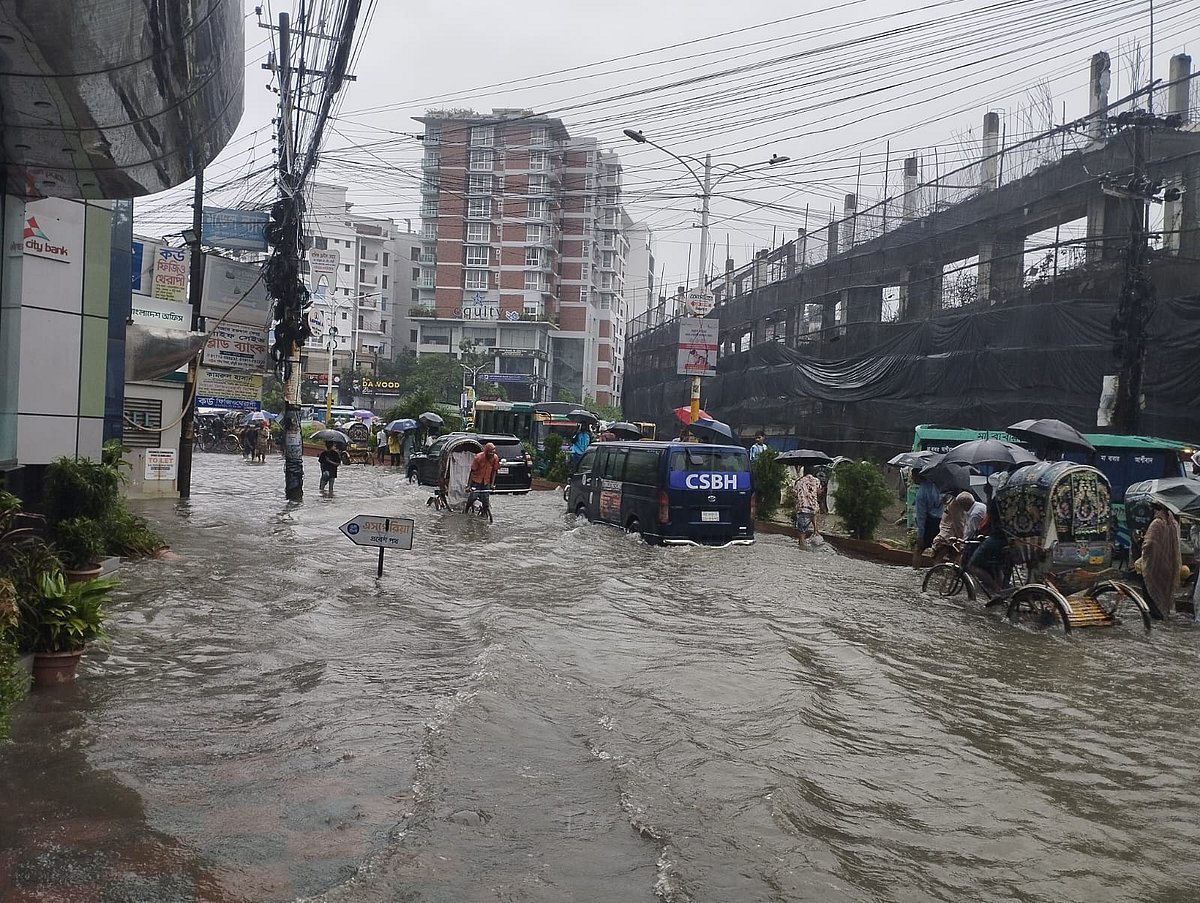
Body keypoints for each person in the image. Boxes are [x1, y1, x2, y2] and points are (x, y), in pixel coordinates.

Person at [1138, 502, 1181, 619]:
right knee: (1164, 591)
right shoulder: (1173, 523)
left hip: (1155, 565)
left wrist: (1142, 544)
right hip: (1169, 564)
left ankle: (1156, 617)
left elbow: (1149, 543)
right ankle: (1164, 613)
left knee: (1151, 591)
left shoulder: (1156, 523)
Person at [929, 491, 975, 563]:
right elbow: (958, 524)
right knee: (946, 559)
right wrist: (962, 539)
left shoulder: (953, 502)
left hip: (948, 534)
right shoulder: (955, 505)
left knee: (942, 559)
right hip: (949, 536)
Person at [912, 469, 945, 567]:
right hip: (942, 522)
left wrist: (920, 536)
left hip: (929, 522)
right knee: (938, 553)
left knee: (919, 549)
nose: (911, 478)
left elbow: (921, 516)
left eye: (913, 475)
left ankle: (915, 570)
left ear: (918, 476)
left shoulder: (921, 493)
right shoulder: (939, 486)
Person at [792, 466, 823, 546]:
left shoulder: (799, 481)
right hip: (813, 508)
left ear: (804, 472)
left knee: (802, 533)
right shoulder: (816, 481)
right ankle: (816, 530)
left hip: (803, 508)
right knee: (813, 516)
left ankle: (802, 549)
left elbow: (794, 493)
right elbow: (819, 492)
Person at [468, 442, 501, 506]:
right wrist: (469, 485)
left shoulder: (495, 458)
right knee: (473, 497)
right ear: (486, 451)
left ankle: (484, 513)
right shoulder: (478, 457)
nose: (491, 454)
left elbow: (494, 471)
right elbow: (472, 471)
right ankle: (466, 509)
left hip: (486, 481)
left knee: (485, 500)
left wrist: (492, 484)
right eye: (490, 452)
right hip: (476, 481)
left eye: (493, 452)